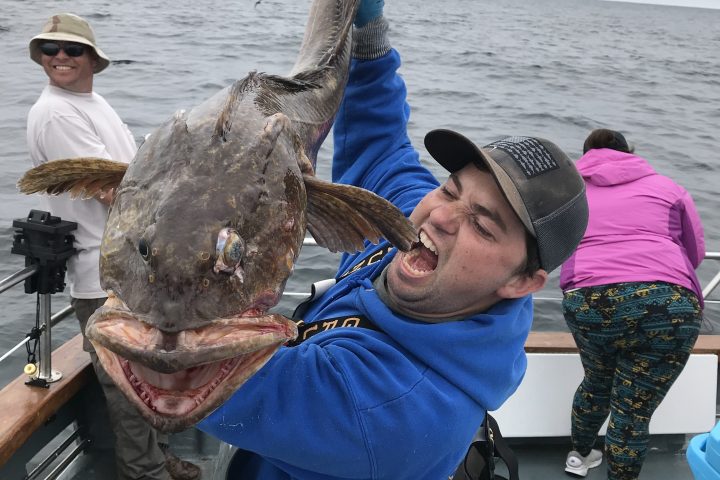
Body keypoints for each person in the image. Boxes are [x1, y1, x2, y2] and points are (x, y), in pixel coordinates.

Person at [198, 1, 589, 479]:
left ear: (524, 282)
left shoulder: (395, 408)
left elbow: (195, 373)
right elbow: (381, 144)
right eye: (450, 188)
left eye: (483, 227)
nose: (441, 216)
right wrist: (365, 33)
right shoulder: (414, 235)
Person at [26, 13, 200, 480]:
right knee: (127, 387)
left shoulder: (91, 103)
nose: (60, 57)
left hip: (135, 273)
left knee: (153, 376)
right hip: (101, 277)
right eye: (50, 49)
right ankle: (144, 473)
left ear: (92, 59)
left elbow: (131, 172)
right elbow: (112, 190)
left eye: (72, 50)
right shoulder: (56, 112)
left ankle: (158, 457)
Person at [559, 128, 705, 479]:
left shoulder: (569, 192)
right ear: (630, 153)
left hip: (590, 299)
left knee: (596, 380)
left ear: (586, 156)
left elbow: (553, 246)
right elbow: (695, 252)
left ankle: (579, 455)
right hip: (667, 304)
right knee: (632, 410)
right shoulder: (669, 188)